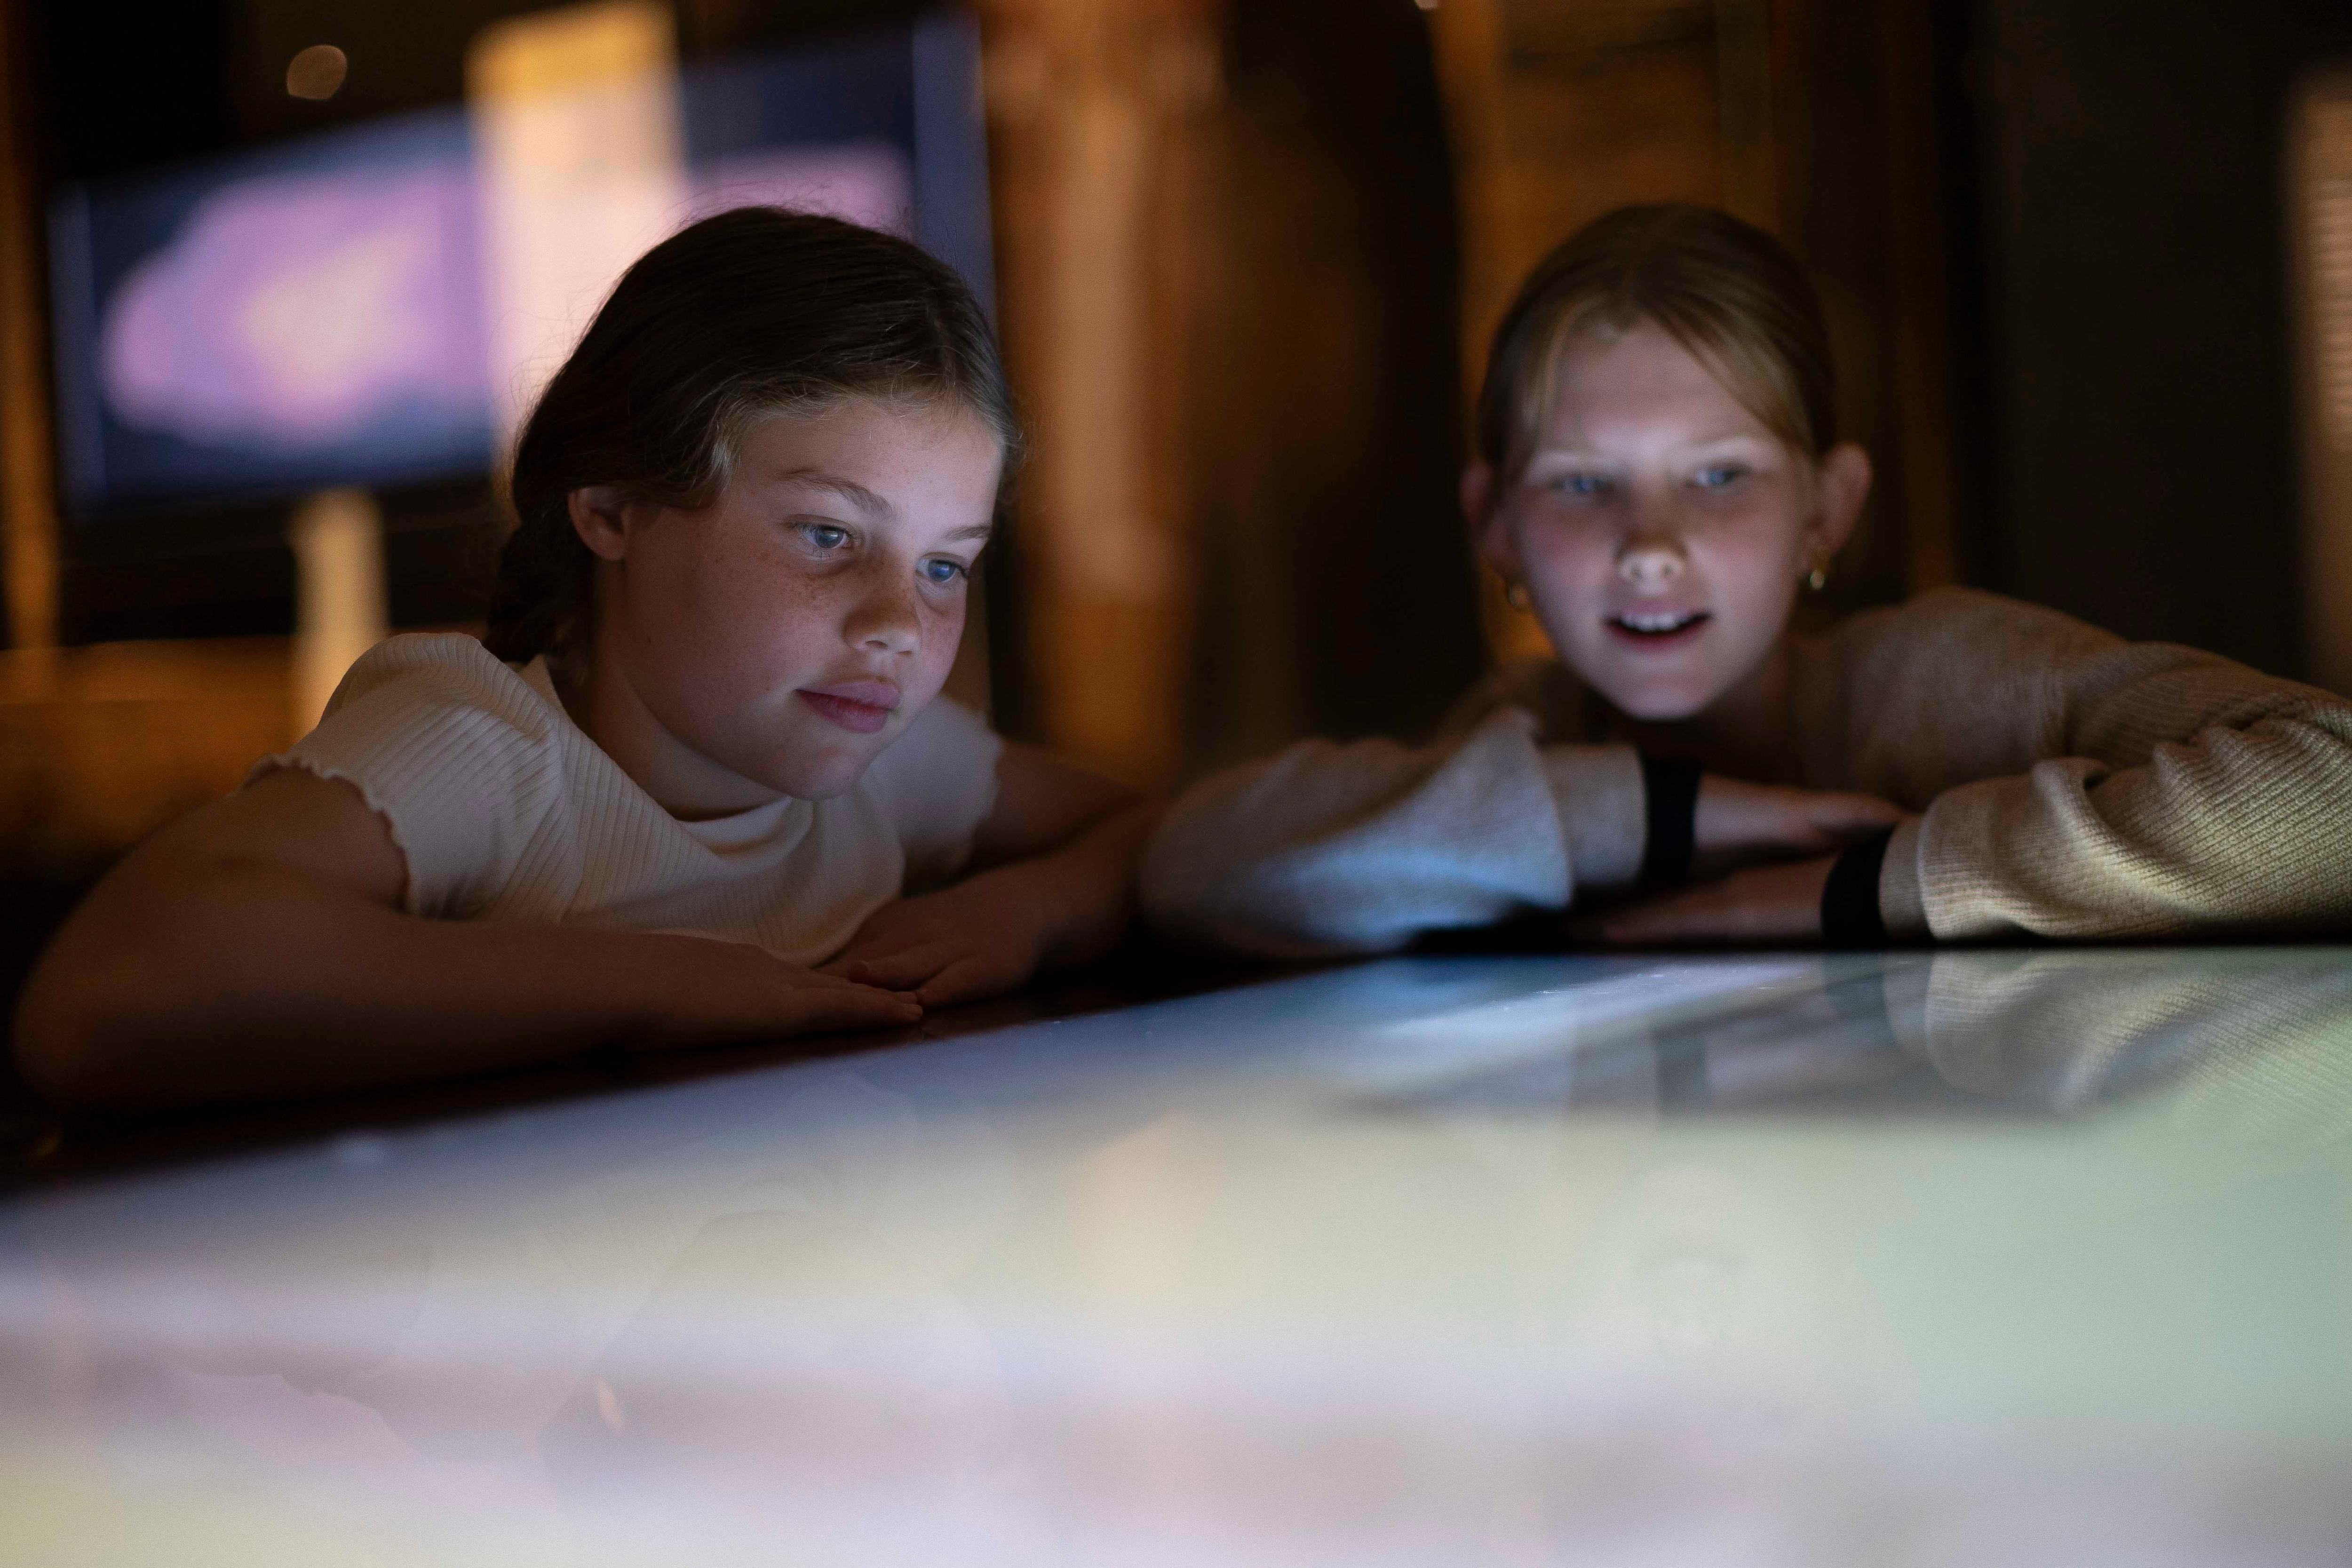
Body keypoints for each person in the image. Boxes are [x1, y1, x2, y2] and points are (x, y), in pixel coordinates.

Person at [16, 209, 1150, 1108]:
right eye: (827, 534)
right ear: (611, 509)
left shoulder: (885, 763)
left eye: (946, 565)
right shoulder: (483, 748)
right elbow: (108, 991)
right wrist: (663, 982)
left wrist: (1030, 911)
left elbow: (1152, 823)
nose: (898, 622)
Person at [1142, 202, 2352, 959]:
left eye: (1718, 476)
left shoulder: (1943, 682)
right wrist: (1666, 822)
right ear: (1494, 524)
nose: (1649, 542)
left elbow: (2334, 789)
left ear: (1826, 507)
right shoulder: (1526, 734)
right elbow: (1198, 866)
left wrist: (1872, 884)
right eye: (1578, 483)